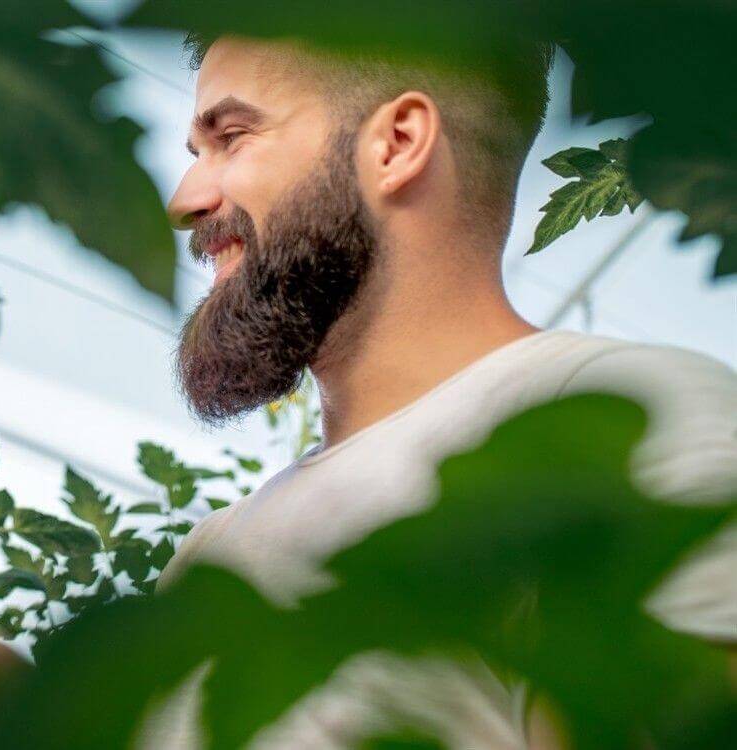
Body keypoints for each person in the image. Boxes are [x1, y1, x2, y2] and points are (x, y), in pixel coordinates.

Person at [142, 34, 737, 748]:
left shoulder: (631, 425)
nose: (184, 201)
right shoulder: (206, 556)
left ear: (397, 143)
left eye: (232, 137)